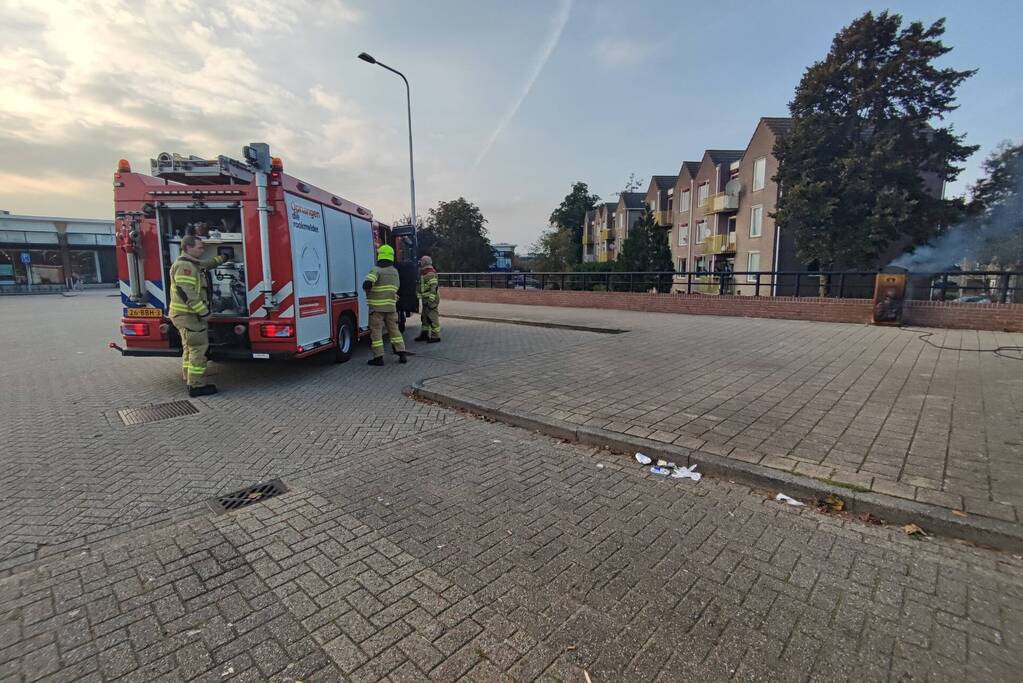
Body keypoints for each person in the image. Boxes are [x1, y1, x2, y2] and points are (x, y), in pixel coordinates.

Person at [169, 235, 227, 396]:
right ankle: (197, 386)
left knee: (189, 348)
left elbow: (206, 264)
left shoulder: (191, 263)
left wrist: (222, 258)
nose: (203, 250)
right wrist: (204, 312)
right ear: (188, 248)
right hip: (189, 316)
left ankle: (188, 378)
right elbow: (186, 291)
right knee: (198, 350)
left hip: (184, 315)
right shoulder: (184, 266)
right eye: (200, 247)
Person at [363, 245, 407, 366]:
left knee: (376, 332)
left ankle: (378, 357)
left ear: (380, 255)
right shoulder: (394, 272)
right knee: (394, 330)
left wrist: (368, 291)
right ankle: (402, 353)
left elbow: (367, 284)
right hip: (391, 307)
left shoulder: (377, 269)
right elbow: (396, 288)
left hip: (377, 308)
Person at [414, 255, 441, 343]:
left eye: (421, 261)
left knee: (432, 318)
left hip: (430, 299)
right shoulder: (424, 272)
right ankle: (424, 334)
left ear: (424, 262)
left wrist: (430, 301)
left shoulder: (431, 273)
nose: (420, 263)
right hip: (426, 299)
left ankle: (435, 336)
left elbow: (434, 288)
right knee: (425, 318)